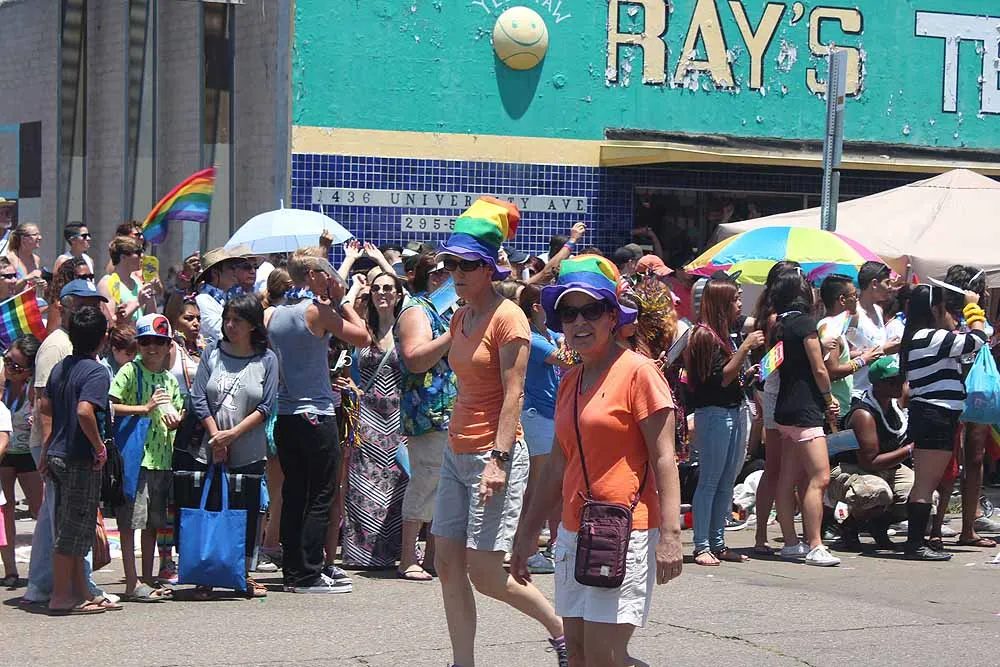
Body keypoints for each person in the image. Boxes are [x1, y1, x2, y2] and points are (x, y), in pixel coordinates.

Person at [510, 255, 684, 666]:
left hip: (623, 530)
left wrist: (671, 534)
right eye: (569, 313)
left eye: (591, 310)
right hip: (575, 531)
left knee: (605, 657)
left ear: (612, 316)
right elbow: (556, 465)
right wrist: (526, 533)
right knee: (578, 655)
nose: (579, 322)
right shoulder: (570, 379)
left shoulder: (639, 373)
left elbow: (664, 457)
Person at [430, 198, 567, 667]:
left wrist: (499, 459)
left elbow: (514, 394)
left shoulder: (509, 317)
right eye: (450, 263)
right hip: (456, 451)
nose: (456, 272)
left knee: (486, 573)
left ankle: (562, 633)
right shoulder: (460, 316)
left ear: (489, 267)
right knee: (446, 563)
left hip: (493, 454)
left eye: (466, 264)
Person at [268, 248, 369, 593]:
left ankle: (294, 571)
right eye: (325, 270)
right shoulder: (317, 312)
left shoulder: (274, 313)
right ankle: (310, 573)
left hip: (286, 414)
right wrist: (343, 301)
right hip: (315, 412)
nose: (331, 277)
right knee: (321, 493)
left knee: (295, 492)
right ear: (312, 275)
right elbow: (362, 337)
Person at [24, 279, 116, 608]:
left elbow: (46, 407)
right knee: (72, 530)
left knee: (74, 528)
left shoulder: (62, 367)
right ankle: (62, 596)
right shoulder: (96, 372)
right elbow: (84, 411)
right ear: (103, 338)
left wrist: (47, 449)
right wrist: (99, 447)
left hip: (59, 454)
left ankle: (80, 591)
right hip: (78, 458)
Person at [183, 294, 279, 598]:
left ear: (253, 325)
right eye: (227, 319)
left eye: (238, 320)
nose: (230, 325)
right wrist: (217, 437)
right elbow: (199, 397)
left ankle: (242, 573)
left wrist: (233, 435)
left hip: (248, 449)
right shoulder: (212, 353)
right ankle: (205, 573)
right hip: (209, 448)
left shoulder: (267, 359)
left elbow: (266, 406)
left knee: (245, 513)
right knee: (210, 509)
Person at [900, 284, 987, 560]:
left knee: (925, 482)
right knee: (926, 484)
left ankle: (916, 541)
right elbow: (978, 338)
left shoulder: (918, 336)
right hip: (935, 414)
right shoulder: (931, 336)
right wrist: (973, 307)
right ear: (934, 309)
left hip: (931, 413)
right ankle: (915, 544)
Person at [686, 275, 764, 565]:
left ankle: (718, 543)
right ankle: (702, 545)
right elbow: (719, 378)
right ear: (721, 303)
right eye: (735, 299)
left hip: (732, 409)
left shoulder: (723, 334)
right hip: (714, 414)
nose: (740, 304)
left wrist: (748, 374)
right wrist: (745, 349)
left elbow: (729, 376)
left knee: (727, 480)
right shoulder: (703, 335)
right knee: (710, 480)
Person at [109, 313, 184, 601]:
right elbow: (110, 406)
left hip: (162, 459)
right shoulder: (130, 371)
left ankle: (148, 579)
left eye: (159, 342)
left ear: (168, 346)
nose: (152, 348)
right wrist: (143, 408)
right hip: (135, 458)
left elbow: (174, 414)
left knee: (153, 523)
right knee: (130, 523)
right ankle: (131, 581)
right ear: (138, 345)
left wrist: (177, 421)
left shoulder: (170, 380)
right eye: (146, 342)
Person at [772, 270, 841, 566]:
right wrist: (828, 398)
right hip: (805, 410)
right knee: (820, 476)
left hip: (784, 408)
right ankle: (815, 544)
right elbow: (819, 369)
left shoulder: (780, 324)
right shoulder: (805, 323)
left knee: (788, 478)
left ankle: (790, 541)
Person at [395, 253, 457, 582]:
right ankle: (408, 557)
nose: (453, 278)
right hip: (429, 412)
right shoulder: (417, 310)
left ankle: (433, 556)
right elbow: (415, 359)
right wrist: (453, 334)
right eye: (445, 273)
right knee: (425, 481)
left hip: (450, 412)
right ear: (430, 277)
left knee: (443, 486)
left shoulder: (446, 309)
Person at [342, 270, 409, 569]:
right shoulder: (362, 329)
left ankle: (394, 550)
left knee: (398, 484)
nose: (382, 293)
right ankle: (362, 554)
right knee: (362, 483)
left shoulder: (408, 328)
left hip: (399, 416)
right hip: (366, 416)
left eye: (388, 288)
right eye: (377, 288)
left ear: (398, 294)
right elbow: (343, 364)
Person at [943, 265, 1000, 547]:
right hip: (949, 391)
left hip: (976, 393)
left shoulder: (979, 318)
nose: (987, 295)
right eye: (983, 290)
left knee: (975, 459)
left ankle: (969, 526)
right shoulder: (946, 318)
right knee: (946, 459)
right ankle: (937, 522)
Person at [516, 283, 571, 574]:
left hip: (552, 417)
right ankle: (526, 552)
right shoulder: (532, 337)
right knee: (536, 489)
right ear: (537, 308)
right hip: (536, 418)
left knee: (555, 487)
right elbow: (567, 359)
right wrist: (568, 343)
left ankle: (553, 544)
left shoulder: (549, 334)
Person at [832, 356, 914, 550]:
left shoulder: (895, 405)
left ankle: (879, 525)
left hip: (889, 468)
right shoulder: (863, 414)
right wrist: (910, 449)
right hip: (853, 470)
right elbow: (870, 462)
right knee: (875, 493)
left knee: (923, 495)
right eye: (892, 381)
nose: (899, 385)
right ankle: (850, 526)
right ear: (877, 384)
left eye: (902, 379)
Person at [750, 261, 801, 554]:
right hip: (777, 393)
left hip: (774, 392)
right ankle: (763, 534)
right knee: (776, 467)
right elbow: (772, 361)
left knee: (781, 467)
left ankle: (769, 532)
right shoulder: (775, 319)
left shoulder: (772, 314)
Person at [0, 335, 42, 586]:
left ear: (29, 370)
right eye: (7, 361)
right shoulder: (1, 381)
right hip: (3, 453)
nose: (9, 368)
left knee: (40, 510)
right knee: (5, 512)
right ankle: (11, 571)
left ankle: (44, 568)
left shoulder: (34, 388)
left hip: (28, 454)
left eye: (16, 366)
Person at [258, 268, 293, 572]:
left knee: (274, 483)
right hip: (278, 401)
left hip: (274, 400)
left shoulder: (268, 315)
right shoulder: (277, 316)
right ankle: (268, 543)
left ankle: (269, 542)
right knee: (276, 483)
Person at [818, 275, 882, 415]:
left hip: (840, 406)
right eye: (854, 295)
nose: (857, 300)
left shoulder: (833, 325)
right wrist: (863, 360)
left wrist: (859, 354)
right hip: (836, 410)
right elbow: (832, 371)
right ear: (842, 300)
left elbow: (836, 358)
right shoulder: (831, 329)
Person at [849, 261, 898, 398]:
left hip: (877, 391)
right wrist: (883, 349)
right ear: (874, 283)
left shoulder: (879, 310)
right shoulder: (854, 314)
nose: (890, 288)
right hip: (858, 391)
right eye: (887, 283)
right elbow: (842, 355)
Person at [98, 236, 155, 324]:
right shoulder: (107, 283)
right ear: (123, 257)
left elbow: (151, 317)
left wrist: (150, 291)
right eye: (138, 252)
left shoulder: (137, 282)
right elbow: (109, 322)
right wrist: (137, 303)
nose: (142, 256)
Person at [194, 248, 241, 346]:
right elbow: (223, 333)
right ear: (215, 273)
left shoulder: (227, 298)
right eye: (231, 268)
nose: (235, 271)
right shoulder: (203, 300)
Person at [7, 223, 46, 295]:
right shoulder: (10, 258)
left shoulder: (36, 259)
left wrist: (41, 286)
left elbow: (37, 292)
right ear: (23, 238)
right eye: (35, 235)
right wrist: (26, 279)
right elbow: (6, 290)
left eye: (39, 234)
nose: (40, 237)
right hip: (15, 301)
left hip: (31, 300)